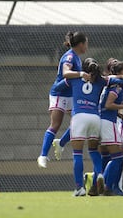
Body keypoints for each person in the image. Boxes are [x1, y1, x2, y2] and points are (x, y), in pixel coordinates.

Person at [54, 58, 123, 196]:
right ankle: (99, 175)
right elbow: (119, 81)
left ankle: (79, 188)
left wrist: (67, 102)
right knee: (95, 151)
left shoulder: (75, 79)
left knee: (78, 154)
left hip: (79, 116)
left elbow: (57, 88)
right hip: (95, 118)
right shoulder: (101, 81)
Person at [37, 31, 90, 168]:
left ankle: (60, 143)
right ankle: (43, 155)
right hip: (59, 92)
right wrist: (81, 74)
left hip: (71, 94)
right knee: (55, 124)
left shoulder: (77, 57)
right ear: (80, 44)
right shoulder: (70, 57)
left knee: (78, 124)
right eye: (86, 43)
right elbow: (66, 73)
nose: (87, 47)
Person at [99, 60, 123, 196]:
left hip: (104, 121)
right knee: (117, 156)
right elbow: (109, 104)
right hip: (108, 122)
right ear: (119, 73)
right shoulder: (115, 87)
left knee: (109, 156)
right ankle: (105, 184)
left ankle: (106, 185)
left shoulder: (116, 85)